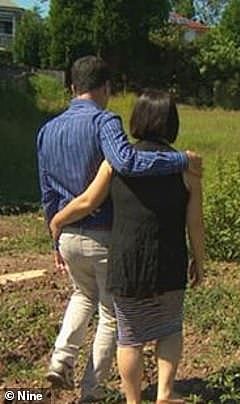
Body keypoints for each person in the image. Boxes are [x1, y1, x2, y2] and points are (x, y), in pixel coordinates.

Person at [36, 56, 202, 402]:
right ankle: (96, 391)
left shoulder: (47, 132)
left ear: (71, 88)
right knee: (131, 320)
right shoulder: (107, 125)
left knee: (93, 305)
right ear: (106, 87)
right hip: (118, 241)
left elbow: (57, 193)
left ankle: (66, 361)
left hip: (78, 239)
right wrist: (182, 160)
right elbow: (127, 163)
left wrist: (56, 229)